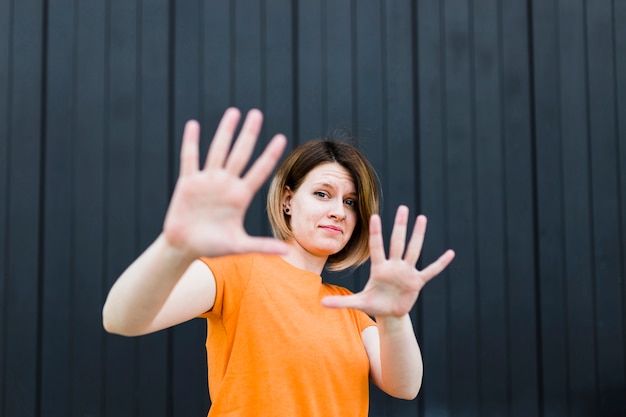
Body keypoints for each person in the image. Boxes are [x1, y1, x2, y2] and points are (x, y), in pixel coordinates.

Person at [102, 107, 455, 417]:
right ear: (288, 200)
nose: (338, 211)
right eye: (322, 194)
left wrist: (395, 316)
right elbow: (121, 319)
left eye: (350, 202)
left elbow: (405, 386)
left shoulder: (351, 311)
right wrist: (174, 247)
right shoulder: (239, 272)